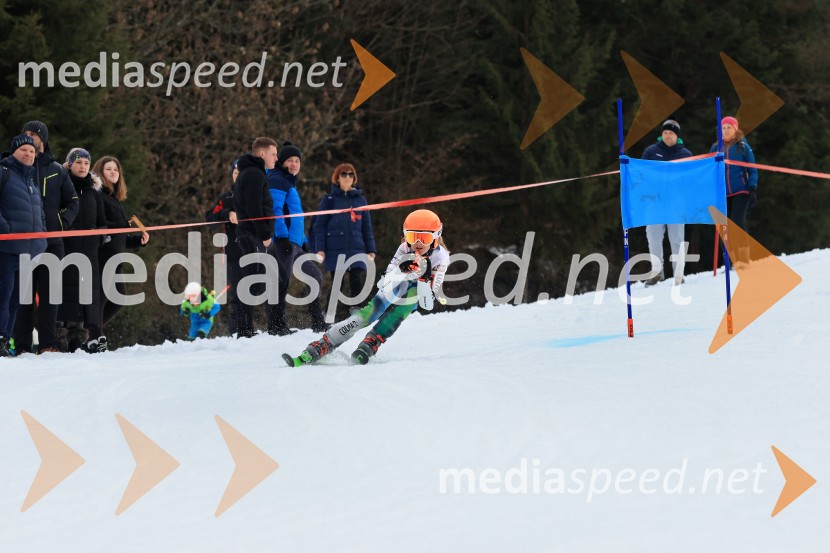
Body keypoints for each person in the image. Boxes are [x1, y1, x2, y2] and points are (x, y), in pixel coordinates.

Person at [283, 209, 448, 366]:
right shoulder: (405, 248)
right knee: (371, 311)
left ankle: (373, 340)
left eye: (424, 238)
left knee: (403, 308)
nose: (418, 243)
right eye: (412, 236)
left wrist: (424, 279)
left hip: (420, 289)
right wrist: (400, 270)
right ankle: (325, 343)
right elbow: (383, 285)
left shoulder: (441, 258)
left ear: (436, 238)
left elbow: (427, 304)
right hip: (401, 281)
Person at [12, 120, 79, 354]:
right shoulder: (13, 168)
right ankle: (22, 345)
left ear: (43, 138)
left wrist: (61, 223)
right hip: (23, 243)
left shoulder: (57, 170)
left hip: (52, 243)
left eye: (33, 133)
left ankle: (49, 344)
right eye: (25, 133)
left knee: (51, 297)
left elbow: (73, 201)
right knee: (23, 297)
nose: (29, 136)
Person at [266, 141, 326, 334]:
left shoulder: (289, 182)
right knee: (281, 281)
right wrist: (282, 237)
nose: (294, 164)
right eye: (290, 160)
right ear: (282, 162)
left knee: (314, 276)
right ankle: (276, 326)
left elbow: (295, 216)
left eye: (297, 160)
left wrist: (304, 241)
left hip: (295, 243)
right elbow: (276, 211)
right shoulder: (277, 180)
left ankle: (318, 322)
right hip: (282, 241)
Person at [92, 156, 149, 343]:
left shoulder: (115, 199)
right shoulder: (98, 195)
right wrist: (122, 225)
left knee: (119, 299)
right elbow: (99, 225)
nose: (113, 172)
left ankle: (91, 333)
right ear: (100, 172)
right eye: (108, 169)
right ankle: (94, 336)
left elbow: (120, 237)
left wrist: (138, 241)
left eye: (116, 169)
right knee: (100, 299)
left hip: (115, 258)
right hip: (102, 255)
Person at [0, 135, 47, 357]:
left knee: (16, 300)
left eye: (32, 151)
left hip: (29, 251)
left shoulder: (31, 182)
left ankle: (4, 339)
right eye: (23, 150)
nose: (28, 154)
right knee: (3, 295)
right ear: (13, 152)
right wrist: (5, 229)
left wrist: (42, 236)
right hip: (6, 249)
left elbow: (40, 214)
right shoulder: (4, 172)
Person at [313, 163, 377, 320]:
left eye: (350, 174)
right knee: (338, 282)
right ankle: (328, 316)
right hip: (335, 247)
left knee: (356, 279)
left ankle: (357, 315)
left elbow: (367, 226)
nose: (347, 177)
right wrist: (320, 248)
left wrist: (371, 249)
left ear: (354, 178)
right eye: (344, 174)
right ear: (337, 177)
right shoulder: (329, 200)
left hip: (357, 247)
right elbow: (319, 226)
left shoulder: (361, 200)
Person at [58, 148, 107, 353]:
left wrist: (98, 237)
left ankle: (83, 339)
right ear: (70, 164)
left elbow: (102, 223)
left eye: (86, 163)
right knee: (68, 294)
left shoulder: (94, 192)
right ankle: (62, 339)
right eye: (78, 162)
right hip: (67, 249)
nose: (83, 166)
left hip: (90, 251)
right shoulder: (62, 187)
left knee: (88, 296)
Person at [233, 137, 278, 337]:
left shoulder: (253, 172)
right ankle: (244, 329)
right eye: (273, 154)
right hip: (251, 234)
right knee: (252, 280)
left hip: (250, 232)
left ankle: (246, 327)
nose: (276, 158)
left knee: (256, 279)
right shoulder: (254, 174)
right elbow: (253, 208)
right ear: (262, 154)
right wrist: (265, 234)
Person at [641, 119, 693, 286]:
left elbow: (691, 179)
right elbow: (641, 172)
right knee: (653, 237)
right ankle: (657, 272)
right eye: (665, 132)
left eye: (671, 133)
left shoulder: (686, 154)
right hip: (655, 202)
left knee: (676, 239)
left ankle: (678, 273)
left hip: (676, 203)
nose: (667, 135)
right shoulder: (651, 151)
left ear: (677, 136)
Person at [709, 116, 758, 265]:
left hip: (740, 191)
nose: (726, 130)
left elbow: (753, 169)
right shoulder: (716, 148)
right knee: (723, 226)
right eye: (723, 128)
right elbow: (710, 170)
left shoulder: (743, 147)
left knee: (737, 222)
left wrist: (752, 187)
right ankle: (728, 259)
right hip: (722, 193)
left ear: (735, 129)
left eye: (729, 127)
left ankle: (743, 257)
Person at [206, 157, 245, 336]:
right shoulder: (226, 198)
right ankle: (237, 332)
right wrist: (227, 213)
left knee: (258, 290)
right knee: (238, 293)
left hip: (257, 252)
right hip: (233, 253)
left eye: (242, 172)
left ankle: (253, 328)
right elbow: (210, 218)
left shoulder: (257, 196)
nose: (238, 175)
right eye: (236, 172)